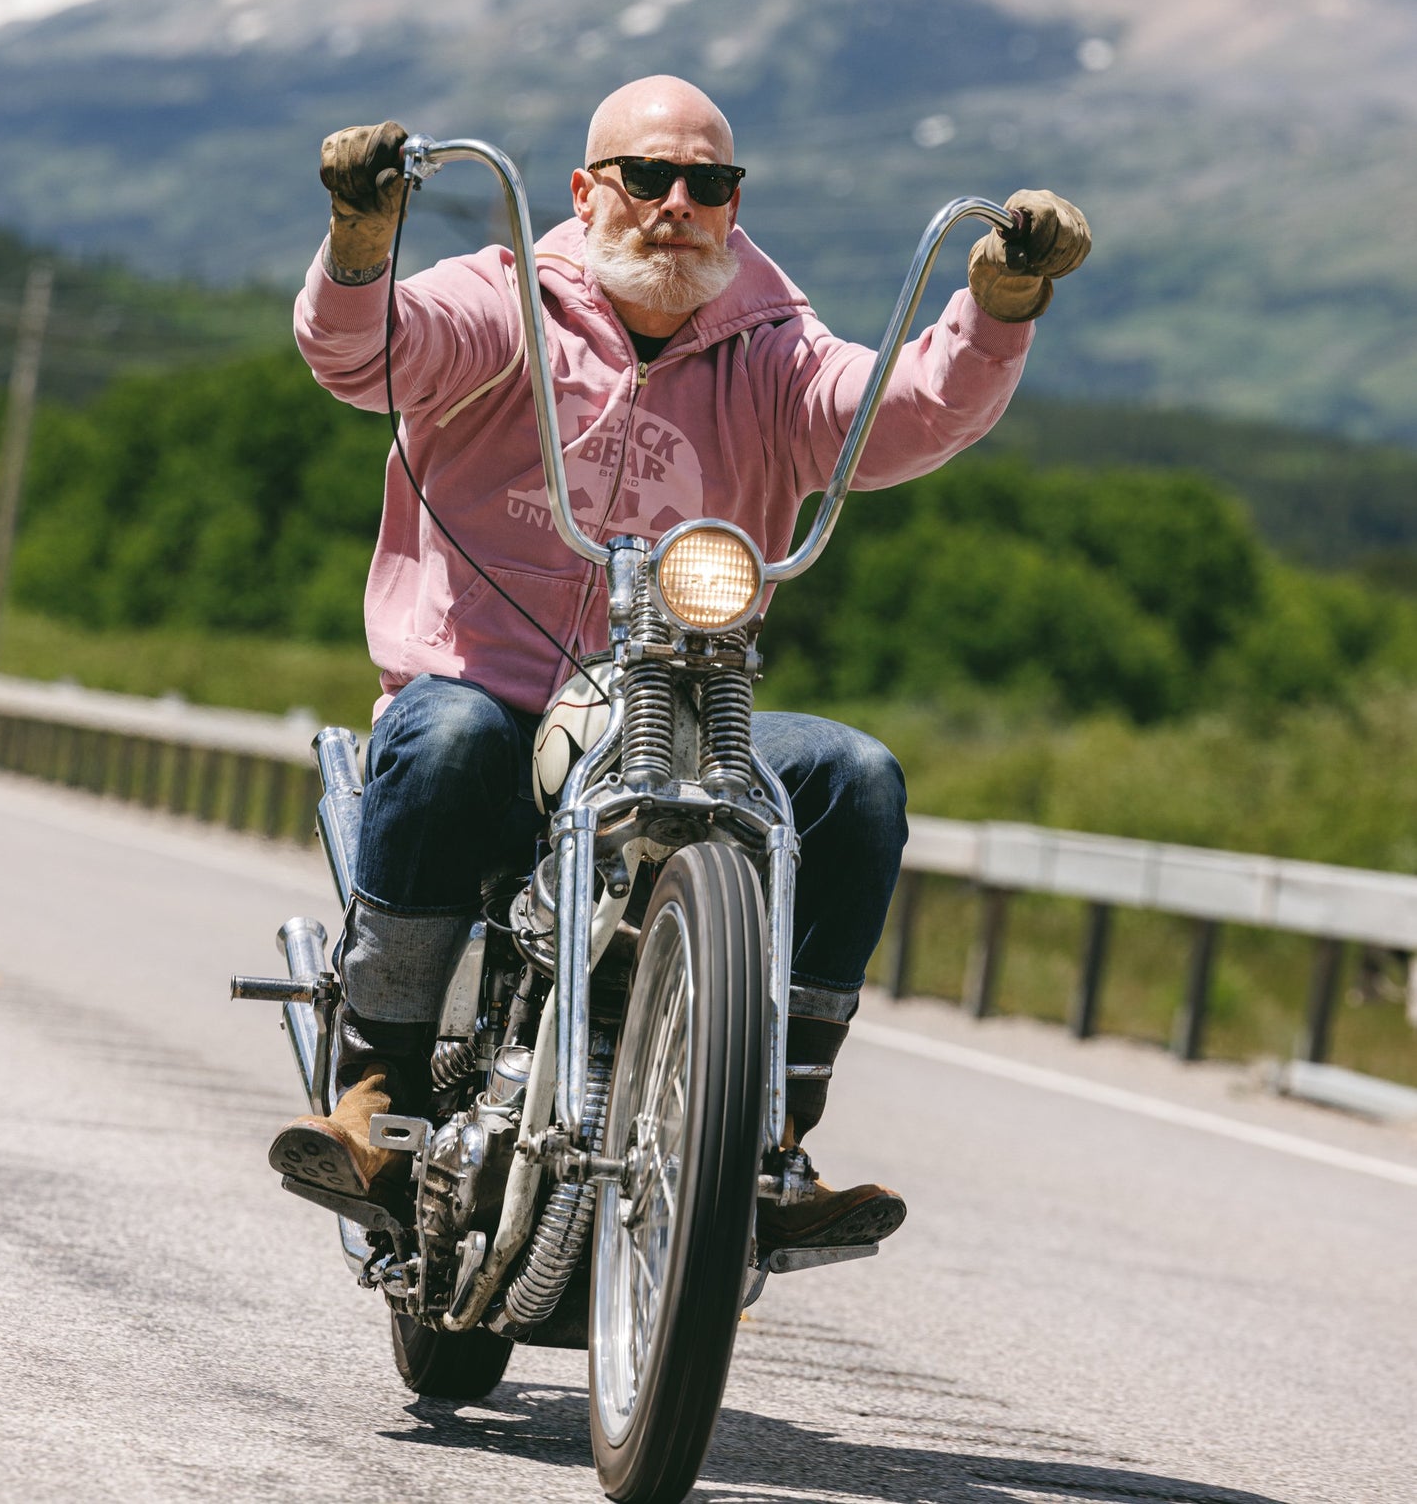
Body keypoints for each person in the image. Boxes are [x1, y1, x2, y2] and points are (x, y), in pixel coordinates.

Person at [270, 74, 1090, 1247]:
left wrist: (996, 308)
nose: (675, 204)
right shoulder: (503, 301)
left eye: (707, 185)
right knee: (445, 737)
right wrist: (360, 245)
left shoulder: (772, 346)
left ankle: (775, 1135)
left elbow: (897, 414)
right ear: (584, 190)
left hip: (679, 714)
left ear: (734, 205)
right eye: (646, 177)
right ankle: (377, 1086)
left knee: (854, 778)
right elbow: (368, 359)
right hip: (487, 695)